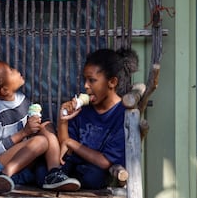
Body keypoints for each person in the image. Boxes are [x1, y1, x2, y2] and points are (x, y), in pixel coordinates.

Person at [0, 60, 81, 193]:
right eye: (10, 71)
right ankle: (4, 175)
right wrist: (24, 133)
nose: (15, 70)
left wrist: (37, 125)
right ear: (4, 90)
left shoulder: (21, 99)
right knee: (41, 141)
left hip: (18, 166)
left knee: (47, 125)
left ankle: (54, 173)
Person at [58, 48, 138, 189]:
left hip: (97, 171)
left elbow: (105, 162)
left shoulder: (122, 115)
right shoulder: (83, 110)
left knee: (92, 176)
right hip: (74, 166)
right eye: (85, 80)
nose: (85, 86)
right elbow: (65, 148)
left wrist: (71, 143)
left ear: (112, 82)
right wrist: (63, 120)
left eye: (92, 80)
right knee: (42, 172)